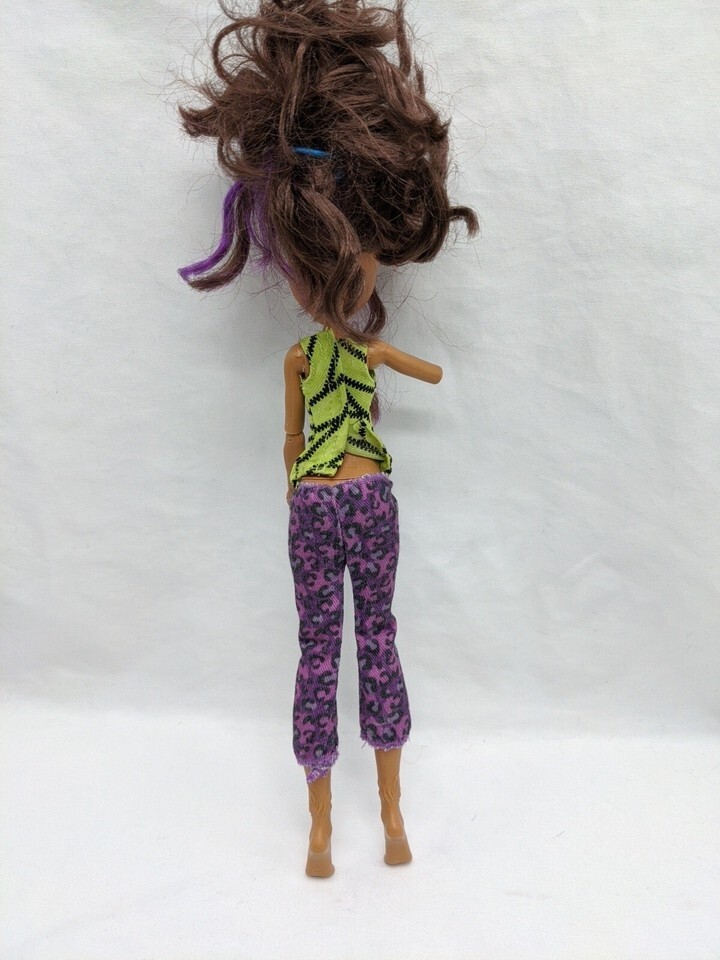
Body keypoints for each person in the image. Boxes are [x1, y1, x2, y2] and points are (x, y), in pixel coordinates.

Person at [178, 0, 477, 877]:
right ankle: (336, 824)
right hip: (343, 500)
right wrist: (297, 484)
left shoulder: (328, 354)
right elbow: (300, 429)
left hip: (331, 501)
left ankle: (384, 815)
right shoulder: (307, 359)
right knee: (344, 645)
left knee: (358, 642)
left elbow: (322, 425)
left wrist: (298, 483)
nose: (335, 278)